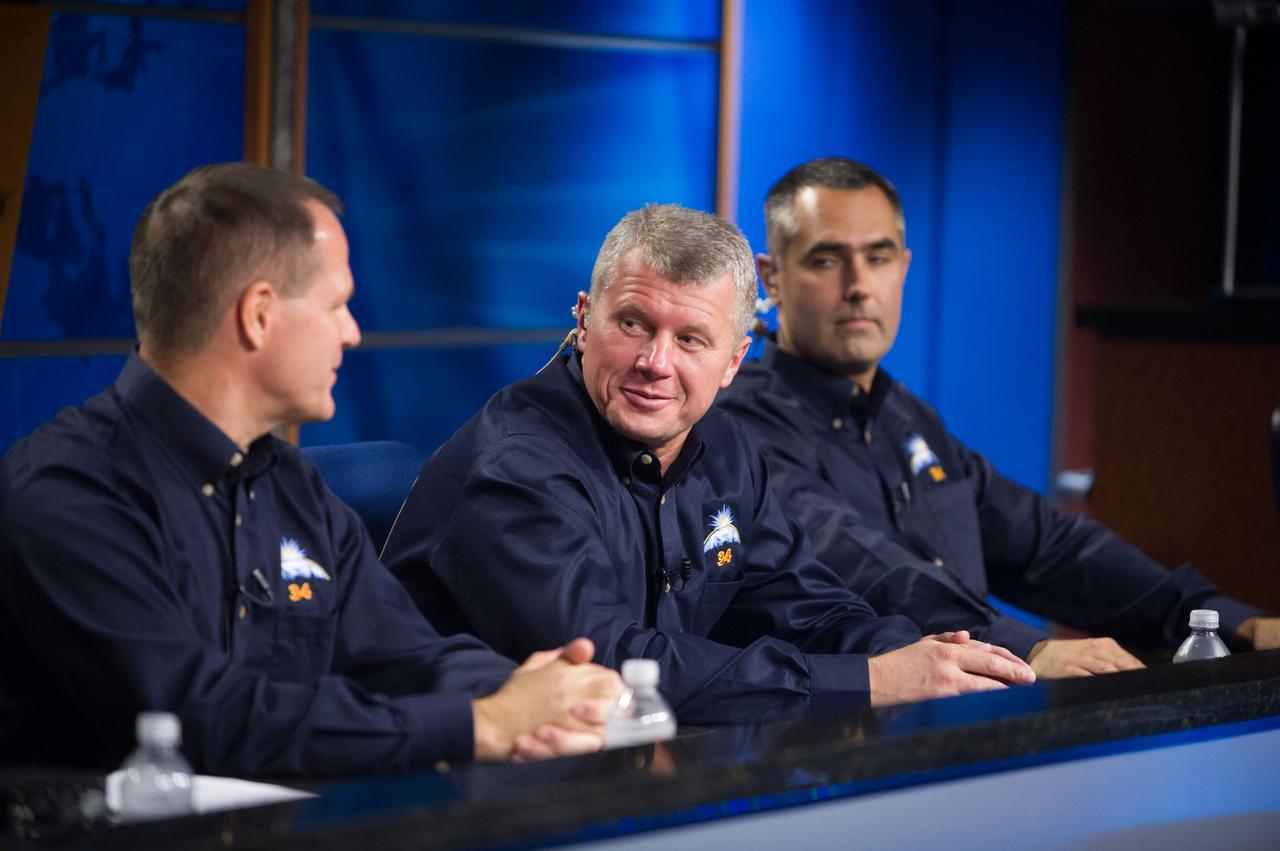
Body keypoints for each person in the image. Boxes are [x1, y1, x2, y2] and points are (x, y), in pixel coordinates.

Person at [0, 162, 621, 777]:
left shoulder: (289, 485)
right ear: (259, 315)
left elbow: (407, 659)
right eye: (337, 305)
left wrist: (539, 693)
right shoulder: (66, 491)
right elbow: (196, 716)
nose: (351, 334)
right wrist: (477, 725)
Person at [382, 203, 1034, 725]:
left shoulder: (724, 448)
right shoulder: (514, 469)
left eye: (691, 339)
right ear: (584, 320)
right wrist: (871, 681)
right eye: (633, 324)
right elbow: (613, 666)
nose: (656, 362)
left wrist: (922, 656)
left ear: (733, 360)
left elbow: (806, 606)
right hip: (450, 788)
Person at [716, 157, 1279, 677]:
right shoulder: (738, 427)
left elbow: (1050, 548)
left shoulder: (907, 419)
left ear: (904, 267)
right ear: (772, 279)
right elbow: (863, 565)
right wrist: (1025, 649)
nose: (859, 286)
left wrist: (1223, 618)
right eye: (826, 260)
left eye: (878, 256)